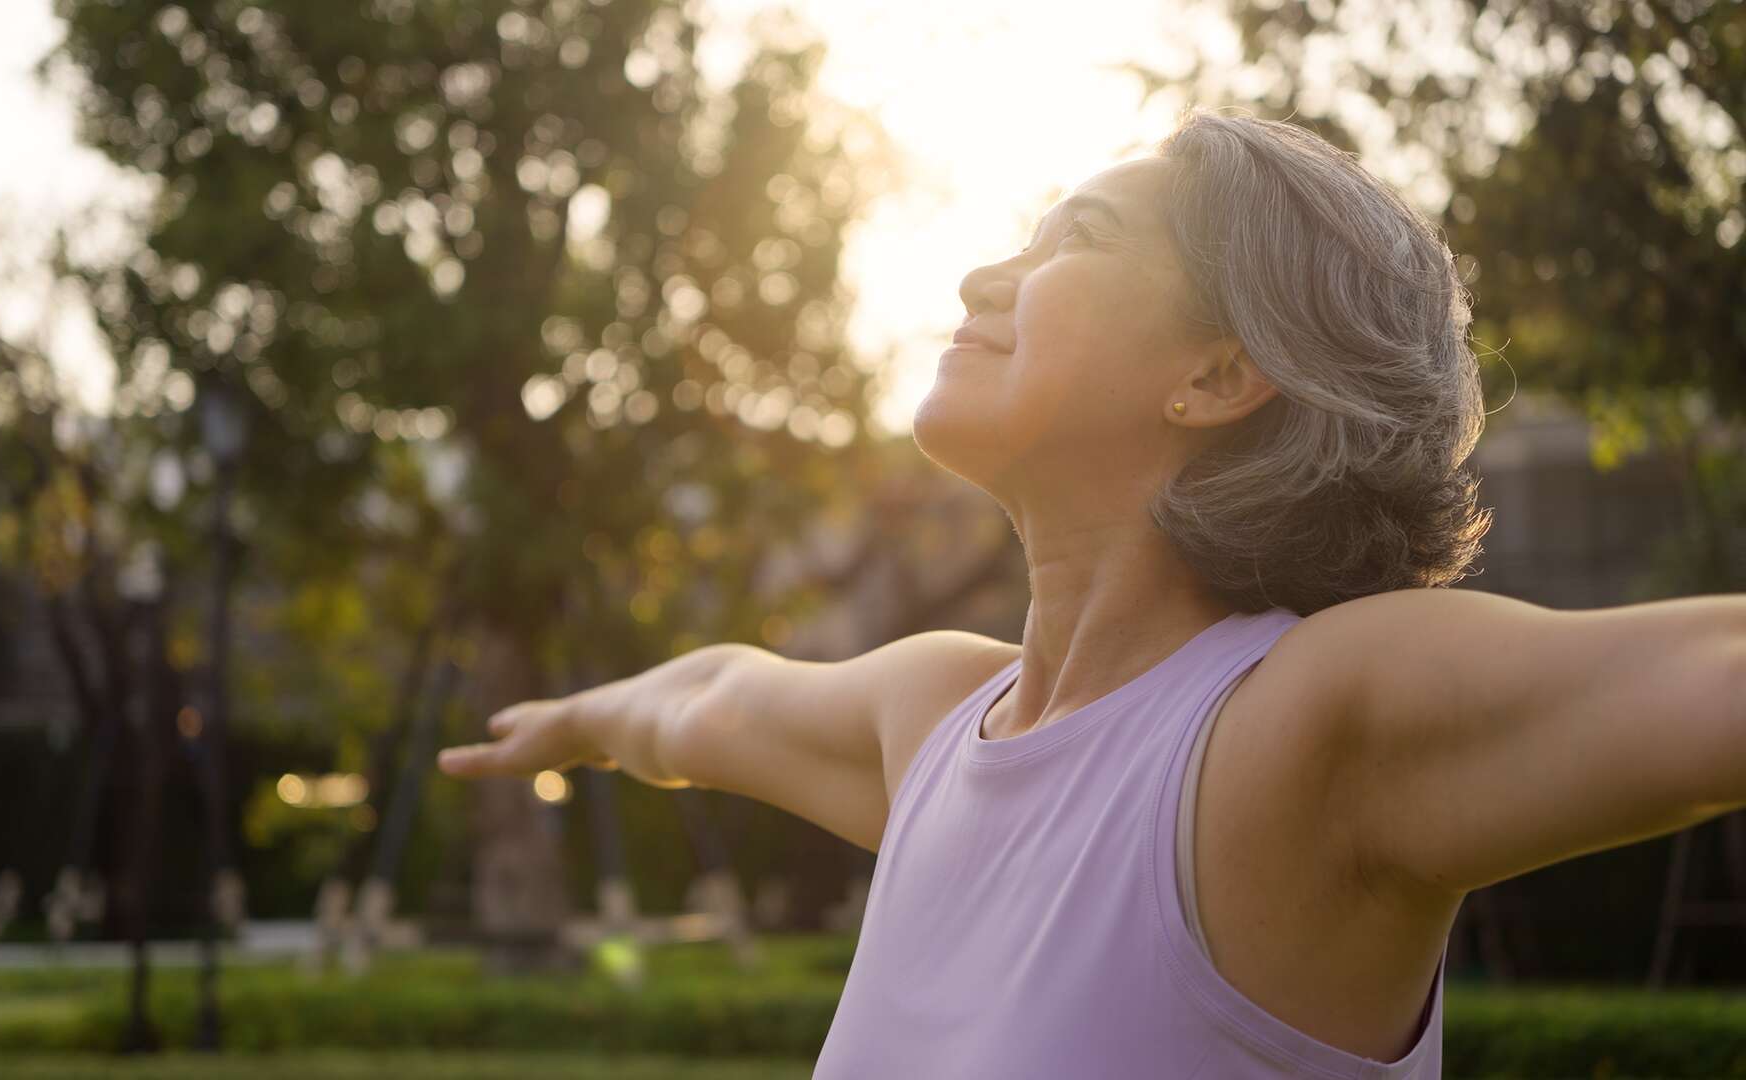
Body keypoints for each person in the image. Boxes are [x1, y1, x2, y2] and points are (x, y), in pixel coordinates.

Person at [437, 109, 1746, 1077]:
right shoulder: (937, 720)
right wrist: (579, 723)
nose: (979, 279)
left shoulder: (1297, 732)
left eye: (1078, 239)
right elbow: (716, 699)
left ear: (1220, 374)